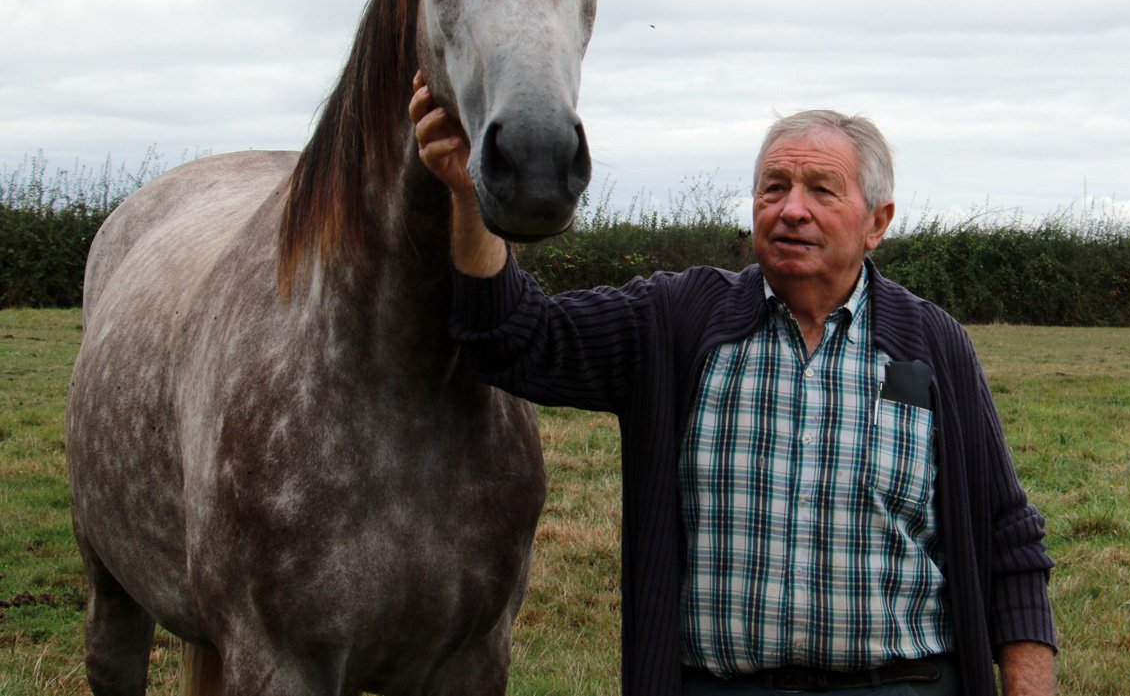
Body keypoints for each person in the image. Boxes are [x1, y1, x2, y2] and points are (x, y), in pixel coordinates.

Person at [410, 74, 1057, 696]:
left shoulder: (933, 344)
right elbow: (515, 338)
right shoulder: (678, 320)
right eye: (774, 188)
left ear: (876, 222)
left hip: (903, 686)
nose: (792, 209)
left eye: (822, 191)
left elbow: (1008, 539)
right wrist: (470, 195)